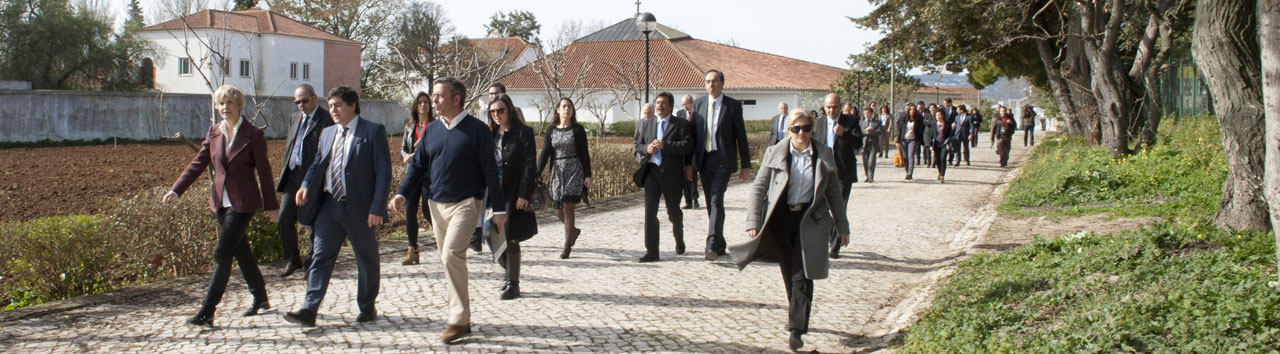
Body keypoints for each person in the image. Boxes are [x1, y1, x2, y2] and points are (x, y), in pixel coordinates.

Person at [389, 77, 506, 344]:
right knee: (446, 258)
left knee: (452, 254)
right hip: (435, 205)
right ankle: (461, 317)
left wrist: (497, 208)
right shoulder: (431, 130)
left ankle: (458, 319)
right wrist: (401, 193)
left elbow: (490, 171)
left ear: (456, 99)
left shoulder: (477, 130)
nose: (434, 100)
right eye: (434, 95)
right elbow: (417, 167)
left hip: (466, 203)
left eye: (440, 95)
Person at [730, 109, 850, 351]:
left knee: (802, 274)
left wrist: (842, 226)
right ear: (789, 130)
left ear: (812, 129)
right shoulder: (775, 153)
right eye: (796, 128)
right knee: (790, 273)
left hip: (811, 220)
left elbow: (834, 192)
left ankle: (796, 329)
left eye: (806, 128)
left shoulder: (823, 154)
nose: (801, 133)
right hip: (782, 220)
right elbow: (759, 187)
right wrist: (753, 220)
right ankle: (798, 313)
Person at [164, 84, 278, 327]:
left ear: (239, 105)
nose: (225, 107)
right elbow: (198, 163)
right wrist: (177, 189)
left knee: (222, 253)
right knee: (241, 250)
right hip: (220, 202)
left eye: (229, 103)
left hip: (243, 203)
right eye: (221, 103)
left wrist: (271, 205)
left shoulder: (253, 134)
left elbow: (265, 172)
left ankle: (207, 312)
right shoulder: (214, 132)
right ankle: (260, 297)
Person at [284, 86, 391, 328]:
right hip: (330, 207)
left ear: (353, 104)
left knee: (366, 260)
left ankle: (366, 306)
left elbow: (383, 172)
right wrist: (306, 186)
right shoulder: (327, 133)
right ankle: (309, 309)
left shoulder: (372, 131)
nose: (333, 110)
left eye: (338, 105)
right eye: (330, 106)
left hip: (361, 209)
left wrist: (377, 208)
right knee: (320, 256)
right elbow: (316, 165)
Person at [692, 69, 752, 262]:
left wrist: (746, 165)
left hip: (723, 160)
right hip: (704, 159)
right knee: (711, 202)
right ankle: (720, 242)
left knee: (717, 199)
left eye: (715, 81)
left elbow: (740, 136)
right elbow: (693, 136)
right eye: (708, 81)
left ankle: (710, 242)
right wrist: (688, 164)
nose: (711, 85)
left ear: (722, 83)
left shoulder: (732, 106)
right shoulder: (698, 104)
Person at [276, 84, 333, 278]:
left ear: (315, 98)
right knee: (284, 219)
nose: (301, 105)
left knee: (314, 223)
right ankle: (294, 259)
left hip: (315, 177)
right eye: (297, 102)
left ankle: (312, 263)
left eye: (304, 101)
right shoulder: (294, 119)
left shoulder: (326, 119)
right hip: (293, 175)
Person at [486, 93, 537, 300]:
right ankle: (508, 273)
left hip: (512, 191)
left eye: (500, 110)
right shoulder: (490, 134)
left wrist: (524, 194)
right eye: (493, 111)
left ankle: (513, 284)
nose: (497, 114)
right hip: (492, 192)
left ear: (510, 110)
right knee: (489, 234)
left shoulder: (523, 132)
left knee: (510, 235)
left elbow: (530, 164)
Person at [634, 92, 695, 262]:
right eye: (658, 102)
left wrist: (665, 145)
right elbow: (638, 145)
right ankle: (652, 251)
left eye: (663, 103)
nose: (659, 105)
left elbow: (688, 145)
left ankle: (679, 236)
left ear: (670, 106)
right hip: (652, 172)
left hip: (672, 174)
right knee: (650, 212)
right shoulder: (647, 124)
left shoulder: (681, 124)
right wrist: (647, 149)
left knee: (673, 211)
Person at [537, 98, 593, 259]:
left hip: (574, 169)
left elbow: (584, 152)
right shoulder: (551, 130)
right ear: (557, 110)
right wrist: (537, 171)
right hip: (557, 171)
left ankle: (567, 246)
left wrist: (588, 174)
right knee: (558, 210)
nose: (567, 109)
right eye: (564, 106)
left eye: (570, 106)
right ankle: (573, 231)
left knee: (568, 206)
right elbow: (545, 153)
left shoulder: (578, 130)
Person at [814, 93, 860, 259]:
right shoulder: (818, 123)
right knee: (820, 208)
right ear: (824, 107)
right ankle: (826, 238)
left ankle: (834, 247)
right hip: (822, 172)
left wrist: (844, 134)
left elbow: (858, 143)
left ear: (840, 107)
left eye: (834, 107)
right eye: (828, 107)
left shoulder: (851, 122)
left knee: (838, 209)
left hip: (842, 173)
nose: (831, 110)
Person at [398, 92, 433, 266]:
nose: (423, 105)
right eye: (420, 103)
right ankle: (412, 250)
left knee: (428, 209)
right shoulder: (410, 126)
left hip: (429, 175)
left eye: (426, 102)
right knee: (410, 211)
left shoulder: (434, 125)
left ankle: (445, 239)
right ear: (415, 106)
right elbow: (403, 148)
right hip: (413, 173)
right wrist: (406, 155)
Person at [675, 94, 701, 210]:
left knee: (692, 175)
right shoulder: (680, 114)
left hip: (694, 149)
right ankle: (688, 201)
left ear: (692, 103)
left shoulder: (698, 114)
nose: (685, 106)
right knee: (684, 176)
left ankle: (695, 199)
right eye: (683, 104)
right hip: (683, 149)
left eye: (687, 104)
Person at [896, 103, 924, 180]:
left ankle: (910, 173)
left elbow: (921, 131)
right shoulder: (904, 118)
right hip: (904, 139)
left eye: (914, 109)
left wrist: (922, 142)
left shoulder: (919, 119)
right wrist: (897, 141)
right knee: (905, 157)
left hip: (913, 139)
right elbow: (900, 130)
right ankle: (907, 170)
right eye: (911, 109)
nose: (912, 111)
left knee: (911, 155)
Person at [861, 108, 883, 183]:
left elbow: (880, 131)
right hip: (864, 144)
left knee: (871, 161)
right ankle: (867, 176)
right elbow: (859, 131)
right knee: (865, 161)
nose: (866, 115)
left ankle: (871, 177)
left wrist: (871, 131)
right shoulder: (861, 122)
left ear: (871, 113)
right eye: (865, 113)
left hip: (873, 144)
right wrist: (865, 131)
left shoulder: (877, 122)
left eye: (868, 113)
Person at [932, 110, 954, 183]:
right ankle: (939, 171)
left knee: (943, 158)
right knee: (937, 160)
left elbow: (951, 134)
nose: (938, 117)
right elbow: (931, 135)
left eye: (939, 115)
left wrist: (948, 139)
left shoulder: (947, 124)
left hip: (944, 144)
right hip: (936, 144)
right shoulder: (934, 124)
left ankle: (942, 175)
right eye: (936, 115)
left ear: (943, 115)